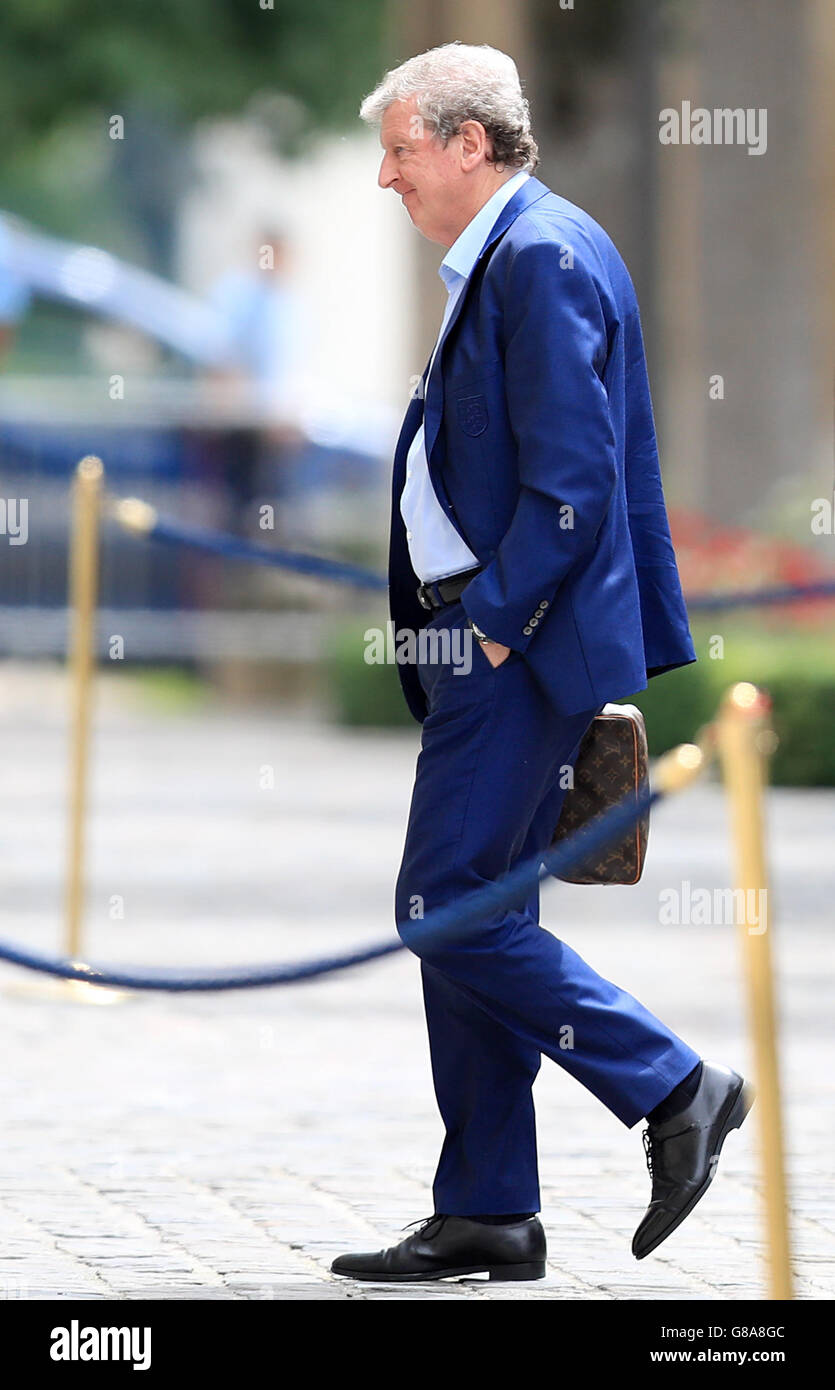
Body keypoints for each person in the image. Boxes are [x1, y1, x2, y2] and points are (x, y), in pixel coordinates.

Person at [331, 42, 753, 1285]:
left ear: (470, 143)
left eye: (401, 149)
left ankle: (674, 1085)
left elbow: (568, 490)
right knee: (478, 908)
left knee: (442, 906)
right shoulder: (522, 250)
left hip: (512, 645)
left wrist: (497, 625)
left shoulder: (540, 255)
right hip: (500, 641)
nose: (384, 178)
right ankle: (488, 1210)